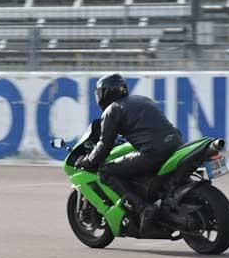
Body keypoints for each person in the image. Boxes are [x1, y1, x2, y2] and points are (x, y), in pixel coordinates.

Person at [75, 74, 182, 234]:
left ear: (105, 93)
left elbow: (105, 145)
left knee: (106, 171)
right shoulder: (142, 99)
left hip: (152, 151)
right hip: (175, 143)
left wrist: (89, 161)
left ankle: (143, 208)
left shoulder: (112, 110)